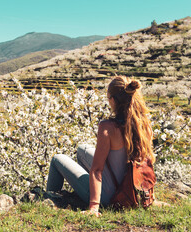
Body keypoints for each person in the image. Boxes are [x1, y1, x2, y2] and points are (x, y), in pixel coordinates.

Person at [46, 76, 155, 216]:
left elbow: (97, 170)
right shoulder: (143, 125)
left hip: (109, 198)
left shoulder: (108, 127)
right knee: (82, 149)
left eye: (108, 98)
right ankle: (88, 190)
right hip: (133, 190)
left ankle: (48, 201)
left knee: (57, 158)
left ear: (114, 100)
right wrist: (150, 195)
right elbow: (147, 164)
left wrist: (94, 207)